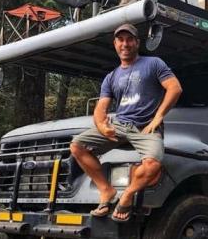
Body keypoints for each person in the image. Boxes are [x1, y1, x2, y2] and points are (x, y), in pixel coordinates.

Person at [69, 23, 182, 223]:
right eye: (120, 40)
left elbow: (174, 88)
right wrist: (102, 125)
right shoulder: (111, 77)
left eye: (129, 39)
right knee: (77, 146)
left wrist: (158, 116)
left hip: (146, 127)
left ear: (137, 42)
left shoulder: (153, 63)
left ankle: (128, 195)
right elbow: (101, 108)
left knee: (153, 164)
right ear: (115, 44)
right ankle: (106, 190)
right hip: (119, 125)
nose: (125, 44)